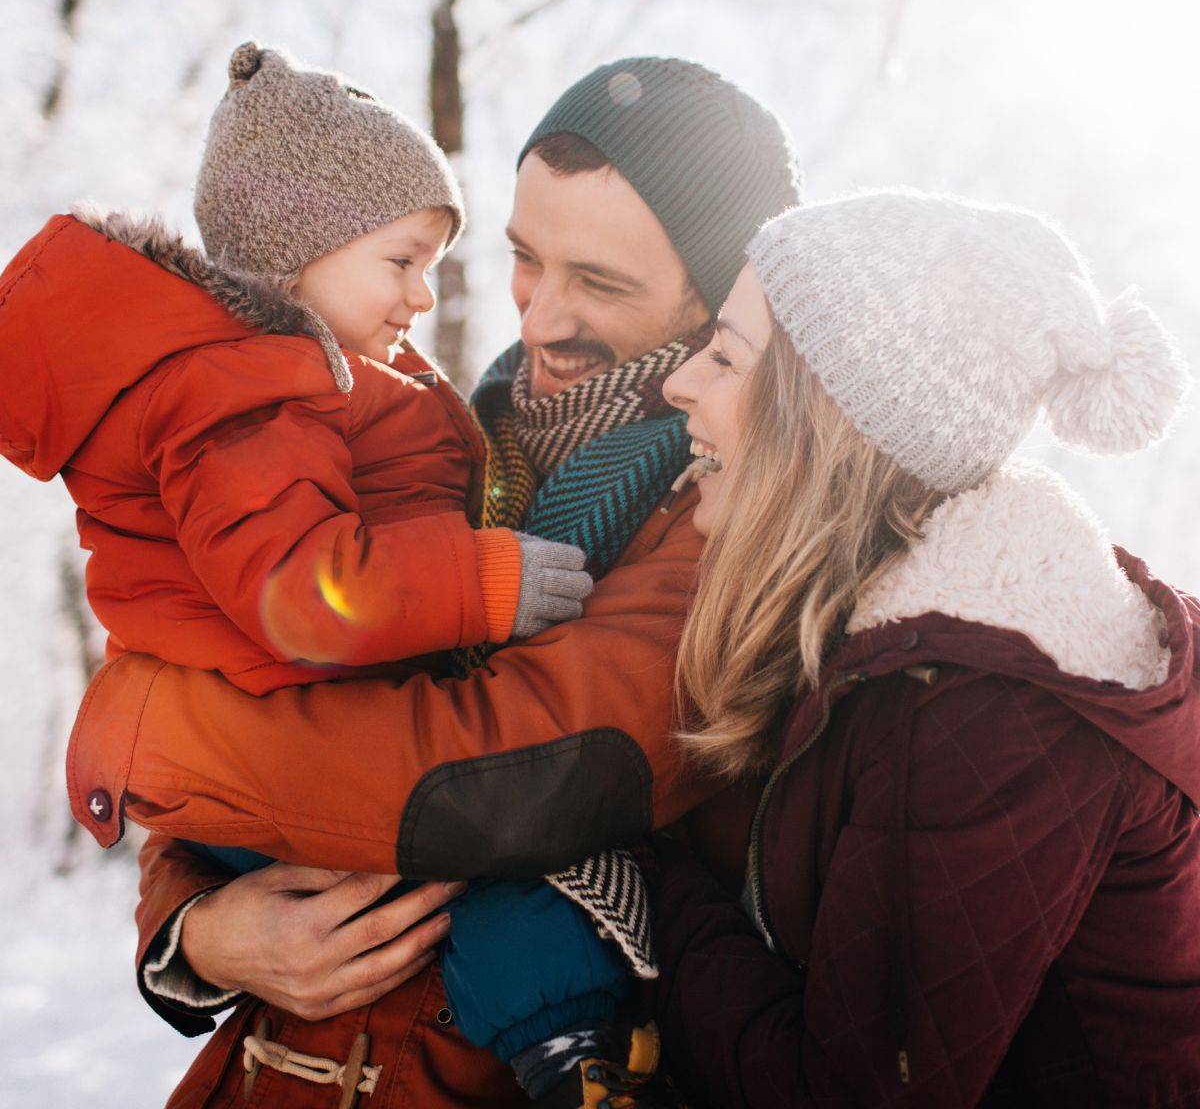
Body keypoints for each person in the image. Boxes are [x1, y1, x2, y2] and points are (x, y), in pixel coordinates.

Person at [53, 56, 804, 1106]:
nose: (538, 319)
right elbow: (271, 687)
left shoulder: (725, 507)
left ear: (715, 297)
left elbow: (519, 774)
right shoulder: (434, 430)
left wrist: (157, 729)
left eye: (601, 282)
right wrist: (202, 934)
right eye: (526, 260)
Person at [646, 190, 1200, 1106]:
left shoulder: (989, 717)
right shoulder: (881, 642)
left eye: (726, 356)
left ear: (821, 420)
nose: (680, 382)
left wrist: (635, 880)